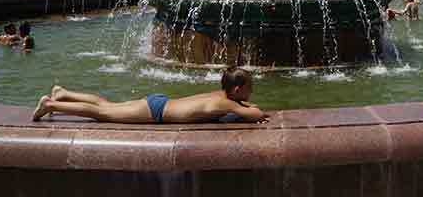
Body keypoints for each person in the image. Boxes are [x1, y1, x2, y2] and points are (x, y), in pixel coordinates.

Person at [32, 67, 267, 123]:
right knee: (102, 113)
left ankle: (63, 93)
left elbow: (243, 106)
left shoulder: (221, 95)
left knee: (107, 105)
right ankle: (51, 105)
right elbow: (257, 114)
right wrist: (253, 109)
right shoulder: (228, 104)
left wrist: (244, 105)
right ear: (238, 90)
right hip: (156, 111)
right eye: (250, 87)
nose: (252, 91)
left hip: (158, 103)